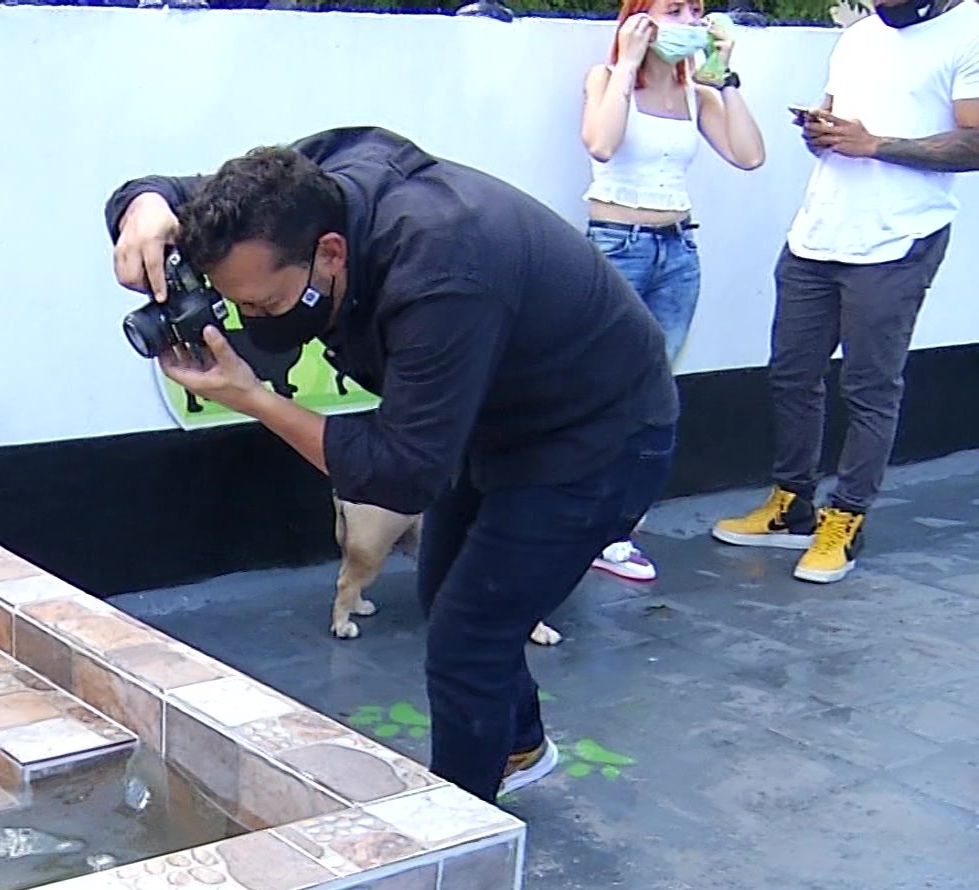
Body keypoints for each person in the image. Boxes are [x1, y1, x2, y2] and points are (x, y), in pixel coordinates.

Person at [103, 128, 678, 804]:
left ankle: (459, 841)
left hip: (599, 435)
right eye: (236, 303)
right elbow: (180, 200)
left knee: (469, 636)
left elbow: (402, 474)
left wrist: (253, 398)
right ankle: (517, 745)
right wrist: (143, 204)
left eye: (264, 304)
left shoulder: (443, 272)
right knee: (447, 591)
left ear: (330, 253)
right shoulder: (295, 195)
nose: (249, 319)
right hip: (498, 418)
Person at [713, 0, 979, 582]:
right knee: (791, 373)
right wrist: (822, 132)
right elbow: (839, 124)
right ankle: (792, 505)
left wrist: (875, 145)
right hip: (820, 229)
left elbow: (976, 142)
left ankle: (847, 516)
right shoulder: (859, 36)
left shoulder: (969, 29)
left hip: (898, 237)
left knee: (869, 386)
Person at [580, 0, 766, 583]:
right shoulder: (606, 80)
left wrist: (724, 75)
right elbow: (600, 144)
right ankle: (576, 519)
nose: (688, 19)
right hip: (617, 245)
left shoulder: (695, 94)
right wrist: (628, 61)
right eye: (674, 8)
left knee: (653, 397)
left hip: (678, 249)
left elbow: (750, 155)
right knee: (599, 391)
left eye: (696, 9)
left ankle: (617, 530)